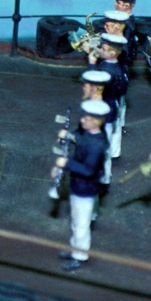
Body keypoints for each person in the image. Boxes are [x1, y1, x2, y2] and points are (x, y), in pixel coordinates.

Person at [54, 99, 109, 272]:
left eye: (87, 118)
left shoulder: (97, 145)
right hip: (78, 185)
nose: (83, 120)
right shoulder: (87, 134)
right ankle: (74, 248)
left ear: (97, 121)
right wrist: (69, 136)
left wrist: (66, 163)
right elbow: (79, 137)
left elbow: (88, 170)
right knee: (76, 221)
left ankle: (79, 255)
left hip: (86, 188)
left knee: (81, 224)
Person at [87, 25, 130, 158]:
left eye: (103, 49)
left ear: (112, 53)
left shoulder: (108, 70)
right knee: (113, 131)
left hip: (105, 107)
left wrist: (92, 63)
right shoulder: (113, 66)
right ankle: (114, 153)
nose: (100, 49)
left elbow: (94, 84)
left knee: (104, 136)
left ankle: (104, 168)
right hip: (113, 105)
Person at [78, 68, 116, 189]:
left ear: (95, 89)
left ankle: (104, 177)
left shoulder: (100, 109)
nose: (83, 87)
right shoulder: (90, 103)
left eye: (86, 85)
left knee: (102, 157)